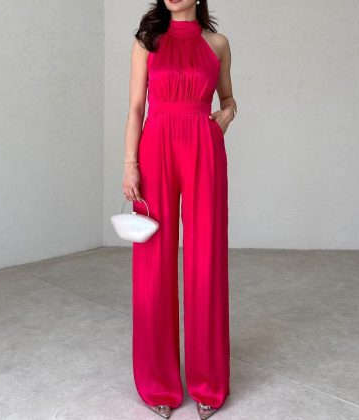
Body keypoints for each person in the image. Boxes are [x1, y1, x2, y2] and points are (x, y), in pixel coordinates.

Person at [122, 0, 236, 418]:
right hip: (156, 147)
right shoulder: (147, 42)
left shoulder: (217, 43)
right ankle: (158, 384)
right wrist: (130, 163)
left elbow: (229, 98)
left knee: (206, 260)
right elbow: (136, 107)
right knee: (153, 261)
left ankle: (208, 381)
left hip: (204, 147)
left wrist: (226, 115)